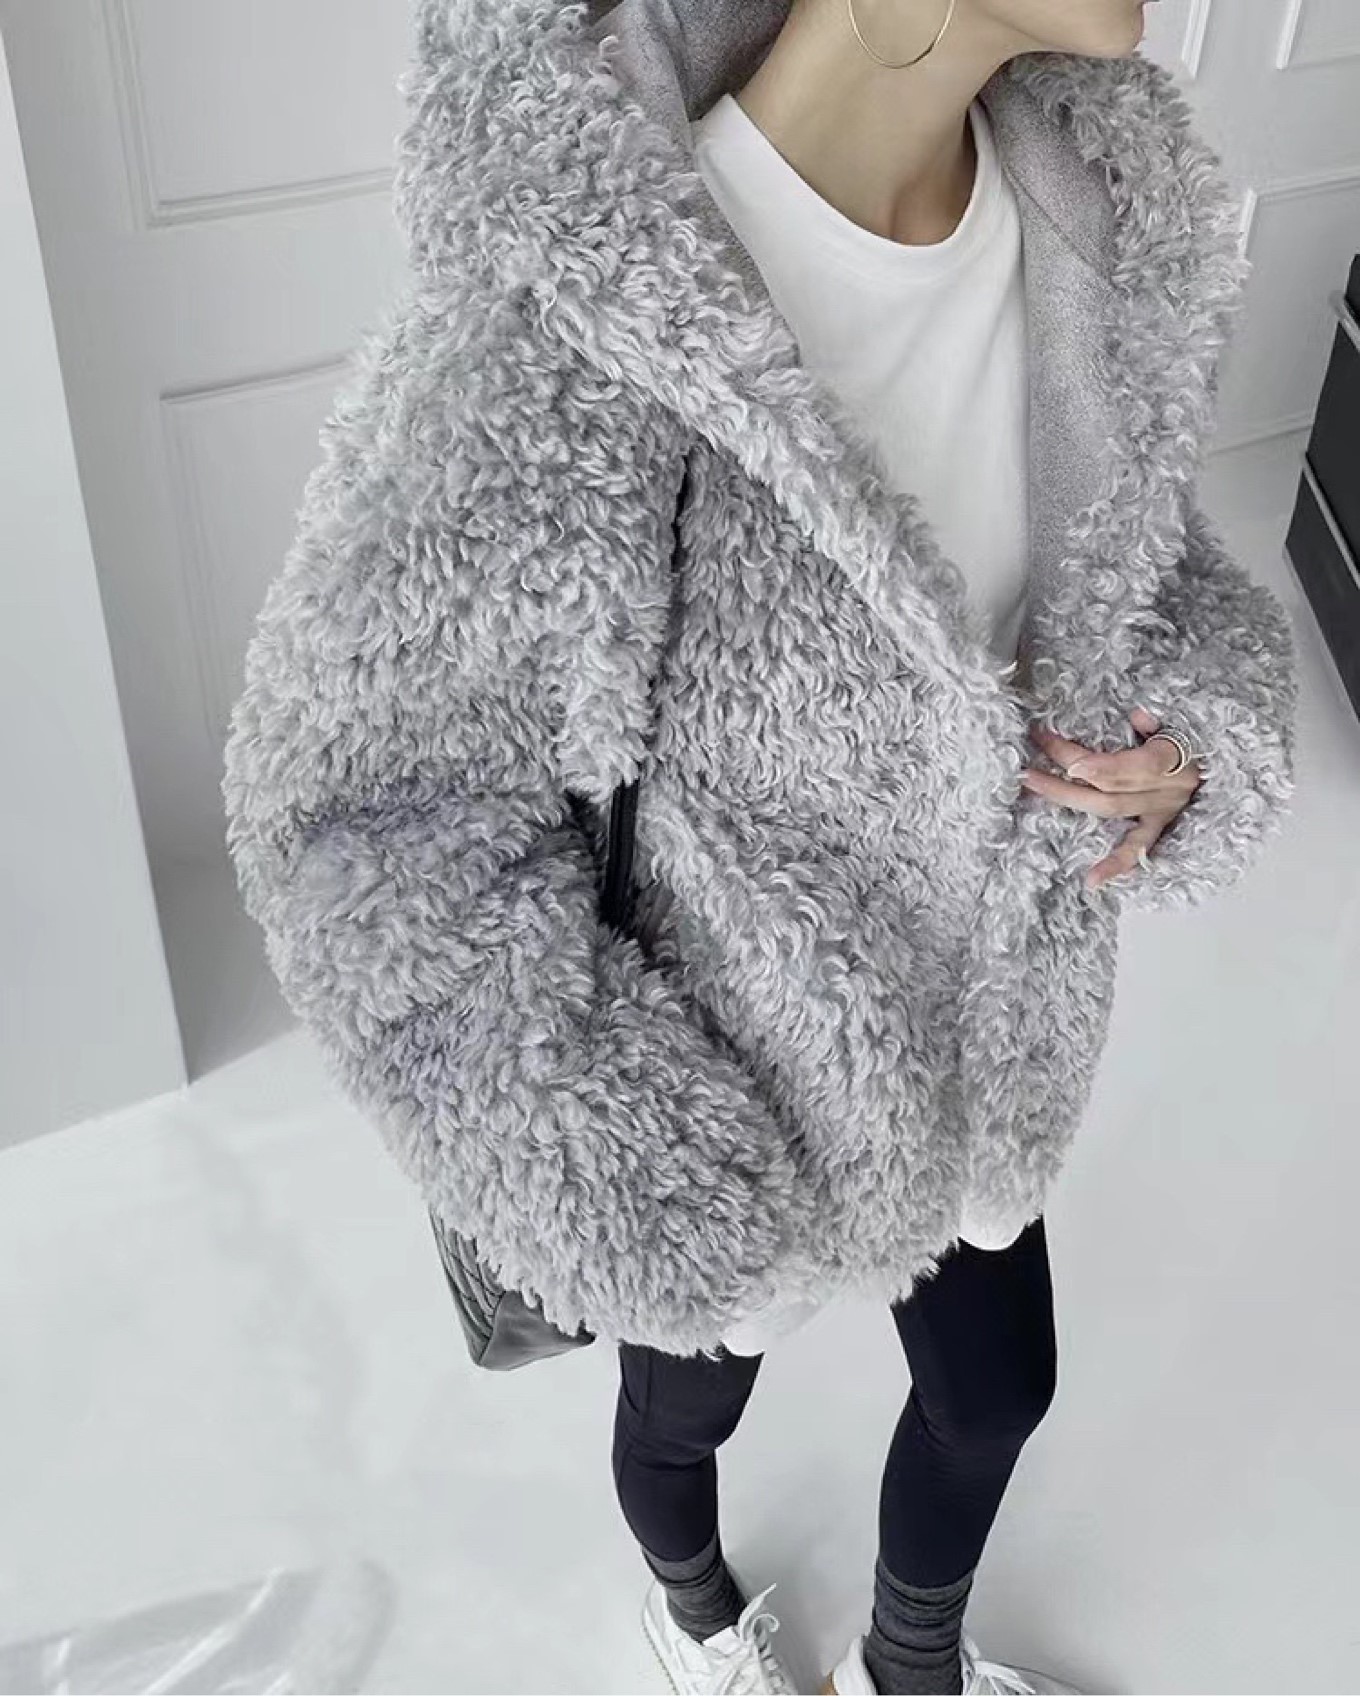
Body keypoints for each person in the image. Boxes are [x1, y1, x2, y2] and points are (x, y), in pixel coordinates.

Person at [220, 0, 1299, 1692]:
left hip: (997, 1043)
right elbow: (371, 809)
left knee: (997, 1395)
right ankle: (694, 1614)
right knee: (683, 1411)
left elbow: (1157, 582)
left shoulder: (1098, 209)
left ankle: (909, 1666)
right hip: (739, 1105)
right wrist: (638, 1174)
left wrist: (1191, 743)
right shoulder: (593, 290)